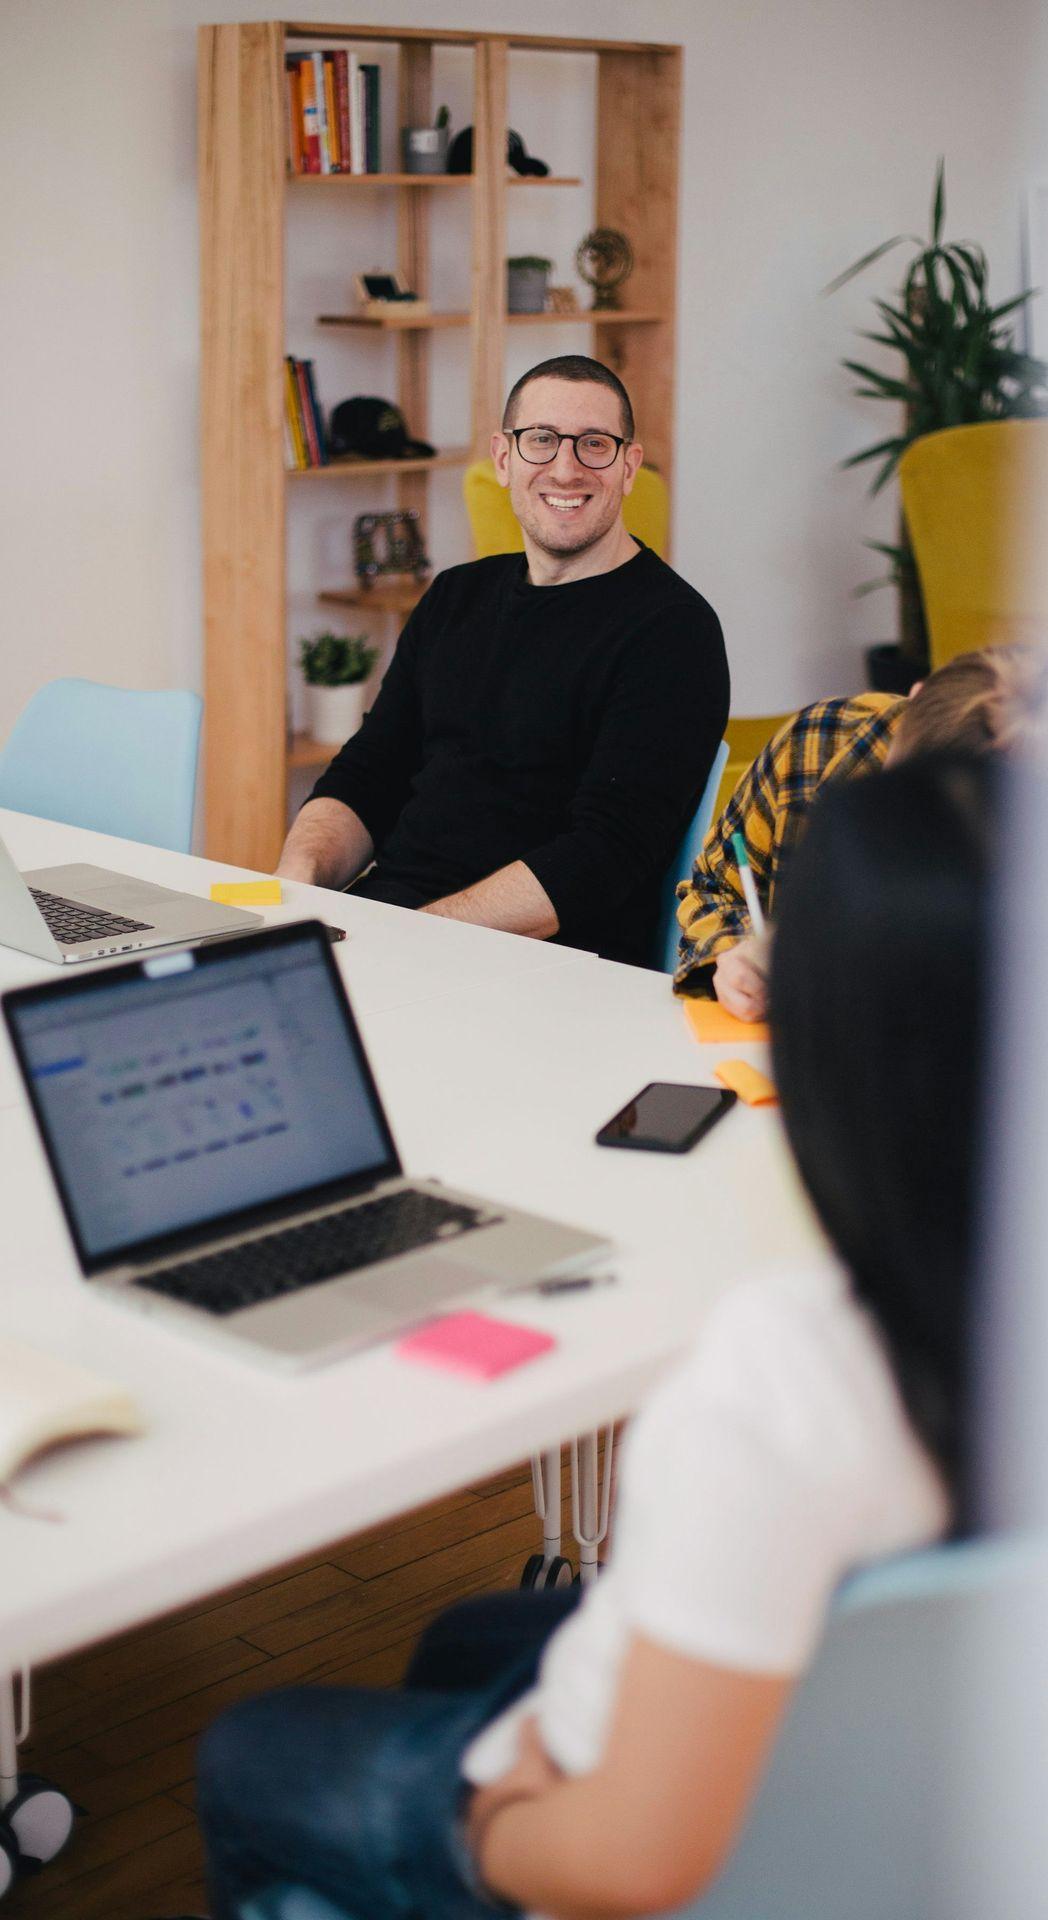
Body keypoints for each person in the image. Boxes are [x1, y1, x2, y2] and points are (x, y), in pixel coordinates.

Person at [186, 752, 991, 1920]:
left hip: (632, 1817)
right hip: (913, 1770)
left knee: (250, 1746)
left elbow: (632, 1862)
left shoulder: (789, 1370)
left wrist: (494, 1818)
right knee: (466, 1637)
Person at [277, 355, 729, 967]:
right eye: (540, 441)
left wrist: (407, 934)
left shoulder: (673, 632)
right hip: (393, 935)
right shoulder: (454, 597)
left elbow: (602, 855)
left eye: (593, 444)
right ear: (503, 458)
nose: (564, 469)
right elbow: (368, 774)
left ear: (628, 467)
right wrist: (293, 889)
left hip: (542, 967)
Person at [675, 642, 1045, 1019]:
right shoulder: (819, 743)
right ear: (913, 698)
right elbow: (714, 887)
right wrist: (732, 955)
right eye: (901, 791)